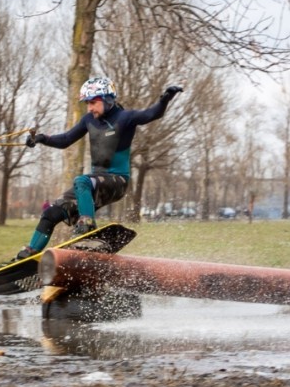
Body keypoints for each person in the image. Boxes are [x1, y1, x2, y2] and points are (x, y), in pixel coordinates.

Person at [10, 76, 183, 261]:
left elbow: (152, 114)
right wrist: (42, 138)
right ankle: (29, 254)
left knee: (81, 181)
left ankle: (87, 225)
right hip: (92, 185)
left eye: (93, 102)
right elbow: (66, 140)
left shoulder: (125, 117)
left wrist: (165, 99)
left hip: (118, 182)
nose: (90, 108)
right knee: (51, 213)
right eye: (87, 103)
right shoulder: (88, 120)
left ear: (108, 99)